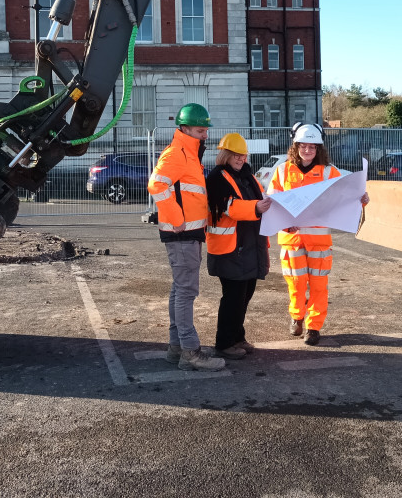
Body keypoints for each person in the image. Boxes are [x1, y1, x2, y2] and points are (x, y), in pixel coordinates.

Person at [269, 122, 369, 346]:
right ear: (296, 147)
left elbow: (347, 197)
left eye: (312, 147)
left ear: (319, 149)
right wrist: (284, 224)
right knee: (295, 282)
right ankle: (297, 317)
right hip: (291, 238)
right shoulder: (282, 171)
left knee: (318, 285)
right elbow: (273, 202)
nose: (307, 151)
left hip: (319, 240)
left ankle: (313, 327)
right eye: (303, 146)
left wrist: (361, 199)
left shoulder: (328, 172)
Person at [147, 103, 225, 371]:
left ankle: (177, 348)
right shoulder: (177, 154)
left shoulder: (189, 154)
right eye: (201, 130)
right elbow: (156, 184)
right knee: (186, 292)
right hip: (182, 234)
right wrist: (177, 219)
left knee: (179, 290)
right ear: (185, 128)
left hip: (187, 234)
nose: (205, 135)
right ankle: (190, 352)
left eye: (205, 130)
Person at [205, 133, 273, 359]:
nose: (240, 159)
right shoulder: (217, 177)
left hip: (248, 247)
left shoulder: (247, 177)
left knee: (244, 295)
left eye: (243, 155)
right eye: (235, 155)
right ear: (225, 155)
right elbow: (229, 208)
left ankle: (237, 336)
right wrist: (256, 208)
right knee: (233, 297)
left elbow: (259, 199)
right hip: (230, 249)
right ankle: (223, 343)